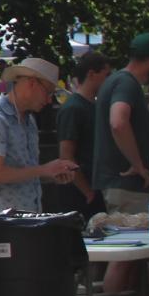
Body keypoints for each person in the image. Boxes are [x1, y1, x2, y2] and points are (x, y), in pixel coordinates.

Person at [0, 57, 77, 216]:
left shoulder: (29, 120)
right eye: (48, 92)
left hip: (25, 221)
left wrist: (51, 174)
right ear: (32, 83)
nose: (49, 100)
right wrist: (44, 170)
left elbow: (25, 172)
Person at [93, 34, 149, 216]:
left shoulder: (117, 81)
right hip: (130, 189)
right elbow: (118, 122)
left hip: (124, 188)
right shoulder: (126, 83)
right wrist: (137, 164)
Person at [47, 50, 110, 217]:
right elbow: (67, 155)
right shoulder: (73, 108)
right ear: (91, 74)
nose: (108, 80)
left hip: (96, 187)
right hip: (79, 194)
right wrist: (87, 191)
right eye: (106, 75)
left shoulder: (95, 106)